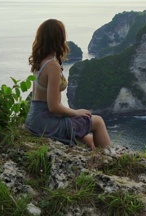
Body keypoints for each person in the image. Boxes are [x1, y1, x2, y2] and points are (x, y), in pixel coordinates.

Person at [25, 19, 111, 149]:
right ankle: (112, 160)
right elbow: (53, 107)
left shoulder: (39, 62)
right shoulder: (52, 66)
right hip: (45, 122)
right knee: (98, 121)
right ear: (59, 39)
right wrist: (76, 112)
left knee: (89, 141)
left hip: (34, 120)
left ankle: (98, 160)